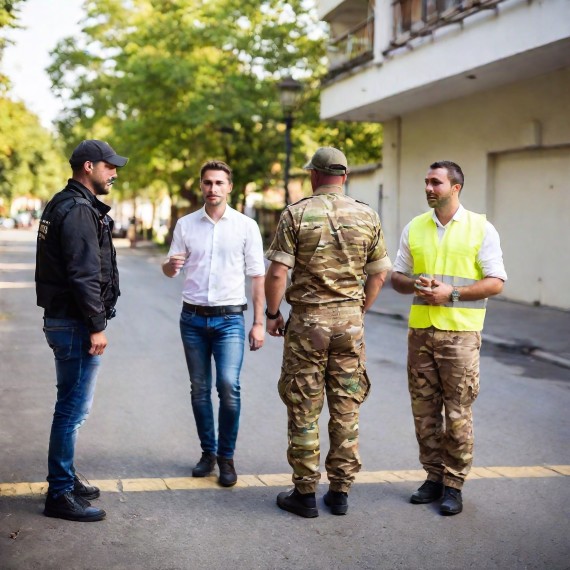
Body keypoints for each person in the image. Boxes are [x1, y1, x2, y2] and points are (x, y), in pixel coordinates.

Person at [265, 147, 392, 518]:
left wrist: (274, 314)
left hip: (307, 323)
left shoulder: (297, 213)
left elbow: (276, 274)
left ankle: (305, 494)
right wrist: (358, 309)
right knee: (346, 405)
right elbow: (379, 272)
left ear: (314, 176)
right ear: (345, 176)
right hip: (349, 322)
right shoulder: (367, 215)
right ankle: (340, 492)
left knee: (304, 405)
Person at [391, 160, 507, 516]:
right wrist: (415, 283)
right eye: (426, 182)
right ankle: (433, 477)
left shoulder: (481, 228)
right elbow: (397, 277)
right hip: (421, 333)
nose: (428, 188)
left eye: (435, 183)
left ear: (455, 187)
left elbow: (496, 281)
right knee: (424, 412)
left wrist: (451, 293)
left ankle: (454, 485)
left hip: (460, 335)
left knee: (457, 413)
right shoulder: (415, 227)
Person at [36, 139, 129, 522]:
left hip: (67, 320)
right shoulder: (76, 209)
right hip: (75, 323)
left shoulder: (66, 202)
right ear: (88, 167)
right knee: (71, 410)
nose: (115, 173)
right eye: (110, 167)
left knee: (72, 406)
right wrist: (96, 326)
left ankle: (64, 476)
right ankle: (59, 492)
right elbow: (82, 274)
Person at [162, 160, 265, 487]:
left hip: (230, 319)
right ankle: (208, 453)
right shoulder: (185, 225)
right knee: (199, 389)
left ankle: (227, 456)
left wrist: (259, 322)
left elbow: (258, 277)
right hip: (191, 318)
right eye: (208, 183)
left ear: (229, 187)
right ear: (201, 186)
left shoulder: (246, 226)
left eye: (219, 183)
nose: (213, 188)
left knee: (228, 386)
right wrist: (170, 264)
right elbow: (170, 270)